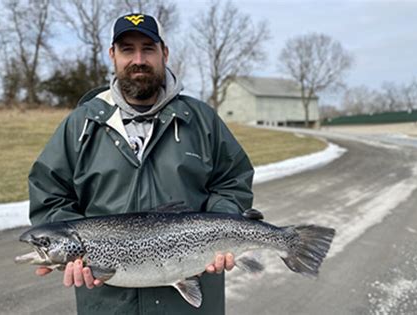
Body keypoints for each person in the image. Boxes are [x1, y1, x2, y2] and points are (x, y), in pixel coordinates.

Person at [28, 13, 254, 315]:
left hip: (191, 303)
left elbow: (232, 181)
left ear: (164, 53)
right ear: (112, 55)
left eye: (148, 48)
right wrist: (71, 250)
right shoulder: (80, 125)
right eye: (127, 49)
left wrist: (221, 230)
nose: (138, 59)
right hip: (107, 304)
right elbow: (50, 195)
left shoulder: (202, 120)